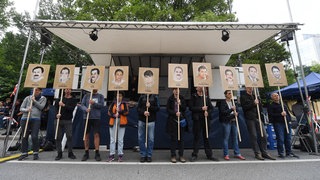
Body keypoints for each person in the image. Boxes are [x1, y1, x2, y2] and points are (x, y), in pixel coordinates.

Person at [240, 87, 275, 160]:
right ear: (246, 88)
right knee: (254, 136)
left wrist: (261, 114)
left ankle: (264, 152)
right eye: (249, 88)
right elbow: (245, 107)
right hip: (250, 118)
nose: (251, 89)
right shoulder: (243, 97)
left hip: (258, 117)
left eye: (251, 88)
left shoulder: (256, 96)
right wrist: (253, 103)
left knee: (264, 135)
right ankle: (257, 153)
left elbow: (260, 107)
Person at [189, 87, 218, 162]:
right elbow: (191, 108)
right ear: (196, 88)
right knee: (197, 137)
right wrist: (201, 109)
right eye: (199, 86)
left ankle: (209, 154)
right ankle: (194, 154)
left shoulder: (206, 97)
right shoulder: (193, 97)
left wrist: (208, 112)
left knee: (207, 137)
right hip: (197, 120)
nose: (201, 87)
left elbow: (211, 108)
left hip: (206, 120)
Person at [18, 88, 47, 160]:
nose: (36, 91)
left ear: (40, 91)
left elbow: (41, 107)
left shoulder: (43, 98)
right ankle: (24, 153)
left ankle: (35, 153)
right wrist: (27, 110)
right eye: (35, 90)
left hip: (36, 119)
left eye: (37, 90)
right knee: (24, 136)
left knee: (34, 136)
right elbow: (21, 108)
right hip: (25, 118)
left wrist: (34, 101)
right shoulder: (27, 98)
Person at [268, 93, 298, 158]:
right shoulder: (271, 106)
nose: (276, 97)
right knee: (280, 138)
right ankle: (281, 152)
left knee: (288, 138)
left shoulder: (283, 104)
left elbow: (287, 113)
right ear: (272, 98)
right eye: (275, 96)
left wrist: (289, 120)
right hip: (278, 123)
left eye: (277, 95)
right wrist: (280, 114)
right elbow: (271, 115)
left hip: (286, 122)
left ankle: (289, 152)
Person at [219, 90, 245, 160]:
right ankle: (226, 154)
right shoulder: (223, 102)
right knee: (226, 138)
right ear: (225, 95)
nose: (230, 94)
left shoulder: (234, 102)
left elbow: (237, 111)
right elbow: (223, 112)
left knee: (235, 138)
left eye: (231, 93)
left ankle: (237, 153)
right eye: (229, 93)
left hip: (234, 122)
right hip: (226, 122)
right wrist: (231, 110)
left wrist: (236, 114)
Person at [80, 89, 104, 161]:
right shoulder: (86, 96)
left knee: (96, 134)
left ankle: (97, 152)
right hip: (87, 117)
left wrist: (94, 103)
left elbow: (102, 105)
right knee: (86, 134)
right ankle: (86, 152)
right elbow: (82, 105)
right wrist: (86, 109)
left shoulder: (100, 96)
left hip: (96, 117)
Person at [54, 88, 78, 160]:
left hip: (68, 120)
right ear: (64, 91)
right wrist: (56, 114)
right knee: (58, 137)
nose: (67, 91)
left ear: (71, 91)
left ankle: (70, 152)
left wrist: (64, 105)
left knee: (69, 136)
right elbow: (55, 108)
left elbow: (71, 109)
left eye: (69, 89)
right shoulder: (59, 99)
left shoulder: (73, 100)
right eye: (66, 89)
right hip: (59, 120)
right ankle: (59, 153)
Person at [166, 88, 187, 163]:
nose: (176, 91)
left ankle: (181, 155)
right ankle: (173, 155)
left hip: (181, 121)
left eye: (177, 89)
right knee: (173, 139)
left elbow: (184, 108)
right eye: (175, 89)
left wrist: (180, 104)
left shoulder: (182, 98)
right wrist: (174, 113)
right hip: (173, 121)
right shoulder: (170, 99)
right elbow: (168, 109)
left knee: (181, 139)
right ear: (173, 91)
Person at [137, 94, 160, 162]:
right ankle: (143, 155)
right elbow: (138, 108)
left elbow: (158, 108)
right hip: (142, 120)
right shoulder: (141, 96)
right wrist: (143, 112)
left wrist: (150, 107)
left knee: (151, 139)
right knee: (141, 138)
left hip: (151, 120)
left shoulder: (155, 97)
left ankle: (149, 155)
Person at [107, 91, 129, 162]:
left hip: (121, 122)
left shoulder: (125, 103)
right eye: (117, 95)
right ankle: (111, 154)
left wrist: (120, 111)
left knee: (120, 139)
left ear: (122, 97)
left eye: (120, 96)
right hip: (113, 121)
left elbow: (127, 112)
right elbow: (109, 112)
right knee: (112, 139)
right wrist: (113, 115)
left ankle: (120, 155)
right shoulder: (113, 103)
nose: (118, 97)